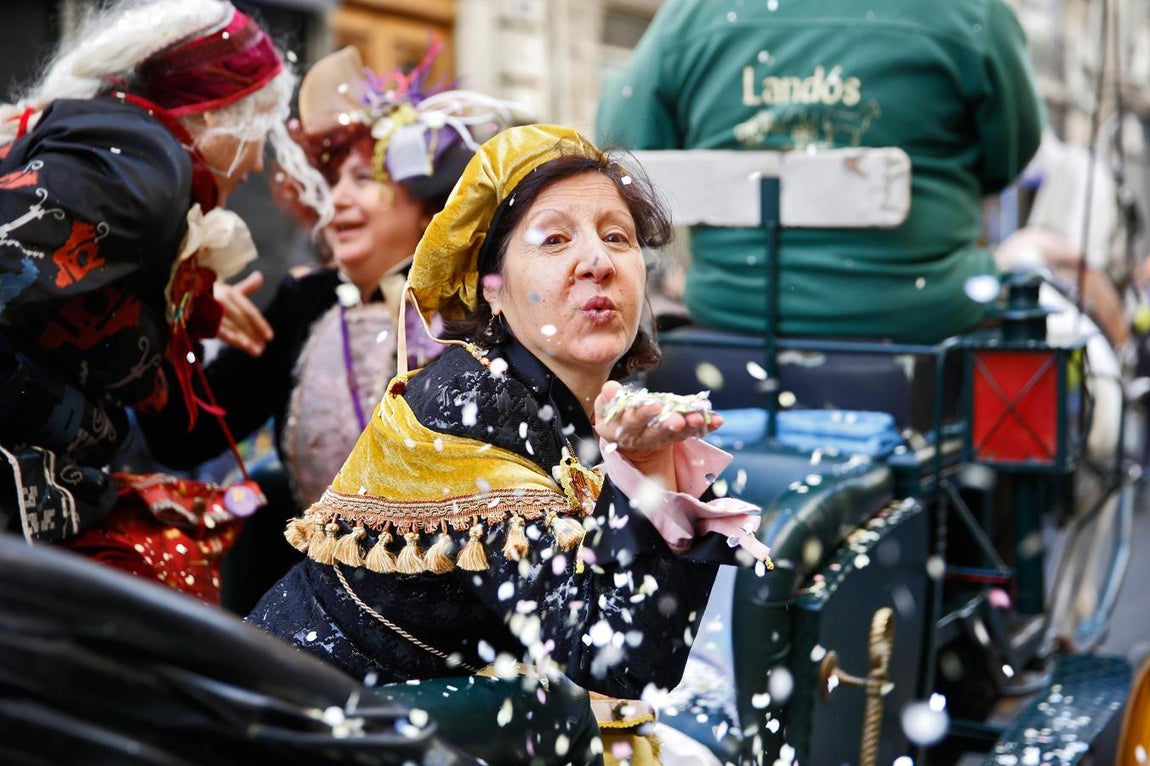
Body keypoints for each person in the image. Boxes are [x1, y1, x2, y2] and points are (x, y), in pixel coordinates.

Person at [246, 123, 773, 761]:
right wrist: (649, 474)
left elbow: (638, 661)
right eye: (554, 238)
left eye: (618, 237)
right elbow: (613, 659)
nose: (598, 261)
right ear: (491, 288)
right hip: (313, 739)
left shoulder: (574, 398)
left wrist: (651, 473)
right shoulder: (473, 405)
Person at [136, 44, 535, 614]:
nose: (339, 199)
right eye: (331, 182)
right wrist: (175, 314)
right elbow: (183, 436)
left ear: (427, 204)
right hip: (323, 608)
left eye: (361, 178)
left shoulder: (485, 310)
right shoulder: (306, 303)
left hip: (470, 609)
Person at [0, 0, 326, 596]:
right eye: (261, 129)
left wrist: (186, 306)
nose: (256, 162)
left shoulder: (129, 156)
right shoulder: (144, 167)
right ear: (221, 115)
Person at [594, 0, 1046, 345]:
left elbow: (625, 145)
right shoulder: (971, 12)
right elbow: (1007, 158)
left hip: (737, 318)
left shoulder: (695, 14)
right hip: (927, 319)